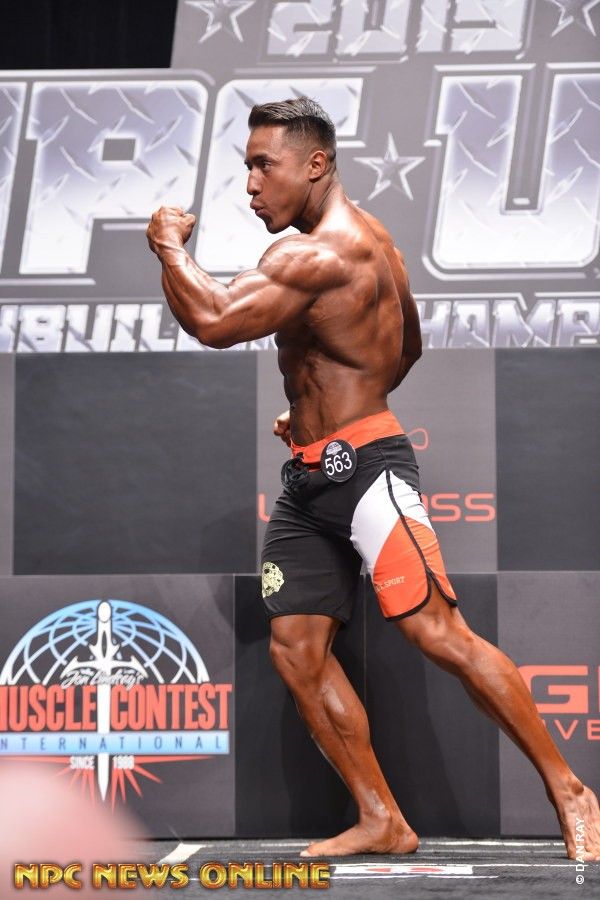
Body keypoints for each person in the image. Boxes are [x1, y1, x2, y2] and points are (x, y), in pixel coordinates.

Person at [146, 97, 600, 861]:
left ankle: (572, 791)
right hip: (310, 481)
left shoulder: (317, 254)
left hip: (368, 475)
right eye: (246, 167)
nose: (250, 184)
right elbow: (404, 347)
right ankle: (381, 817)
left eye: (263, 165)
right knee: (296, 649)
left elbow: (215, 320)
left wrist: (166, 247)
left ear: (315, 164)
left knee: (438, 635)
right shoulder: (378, 241)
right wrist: (322, 410)